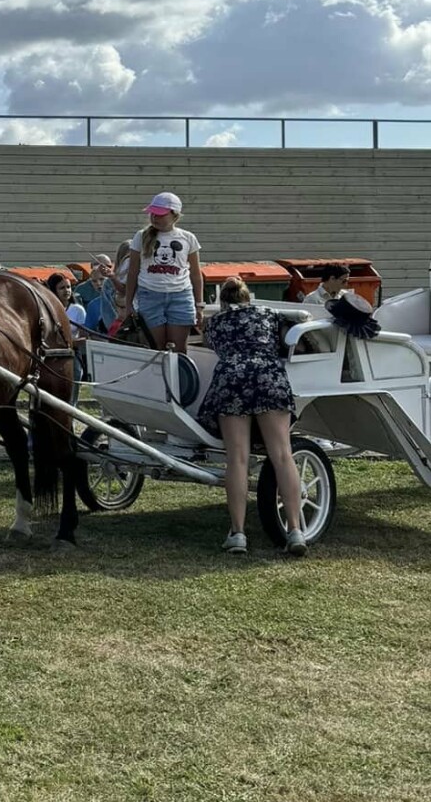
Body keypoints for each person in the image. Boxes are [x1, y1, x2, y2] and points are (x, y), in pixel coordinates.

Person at [197, 278, 311, 556]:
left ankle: (238, 533)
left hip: (231, 379)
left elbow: (207, 343)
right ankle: (295, 530)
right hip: (268, 377)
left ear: (222, 301)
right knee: (282, 455)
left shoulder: (215, 323)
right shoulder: (269, 314)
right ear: (249, 298)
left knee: (237, 458)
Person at [114, 191, 203, 354]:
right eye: (153, 213)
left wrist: (199, 305)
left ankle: (179, 379)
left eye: (160, 214)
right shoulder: (141, 236)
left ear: (174, 215)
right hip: (150, 295)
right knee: (156, 349)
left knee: (179, 349)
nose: (154, 217)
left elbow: (196, 275)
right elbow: (132, 272)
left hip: (181, 295)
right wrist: (128, 305)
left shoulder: (188, 238)